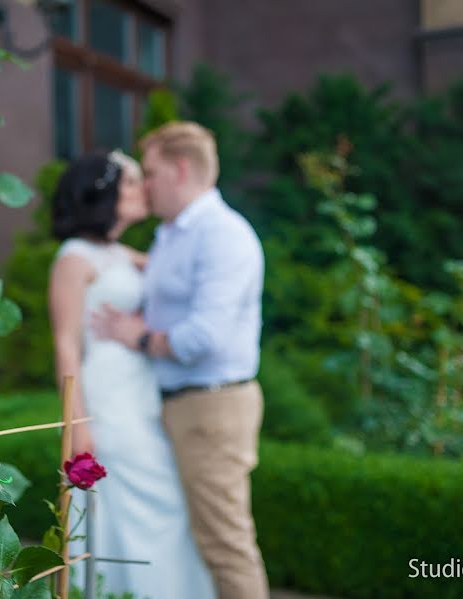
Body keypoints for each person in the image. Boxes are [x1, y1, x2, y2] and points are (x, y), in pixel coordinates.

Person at [92, 122, 270, 599]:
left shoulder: (223, 235)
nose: (145, 184)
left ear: (181, 169)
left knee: (225, 543)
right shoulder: (174, 234)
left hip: (211, 408)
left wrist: (140, 336)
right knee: (190, 540)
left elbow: (202, 338)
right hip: (171, 403)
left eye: (150, 172)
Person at [48, 150, 215, 599]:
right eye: (131, 182)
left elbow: (176, 278)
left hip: (141, 394)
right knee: (133, 507)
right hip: (105, 399)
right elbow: (65, 342)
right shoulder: (74, 258)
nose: (143, 189)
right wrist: (76, 422)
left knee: (167, 506)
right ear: (102, 194)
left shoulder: (124, 254)